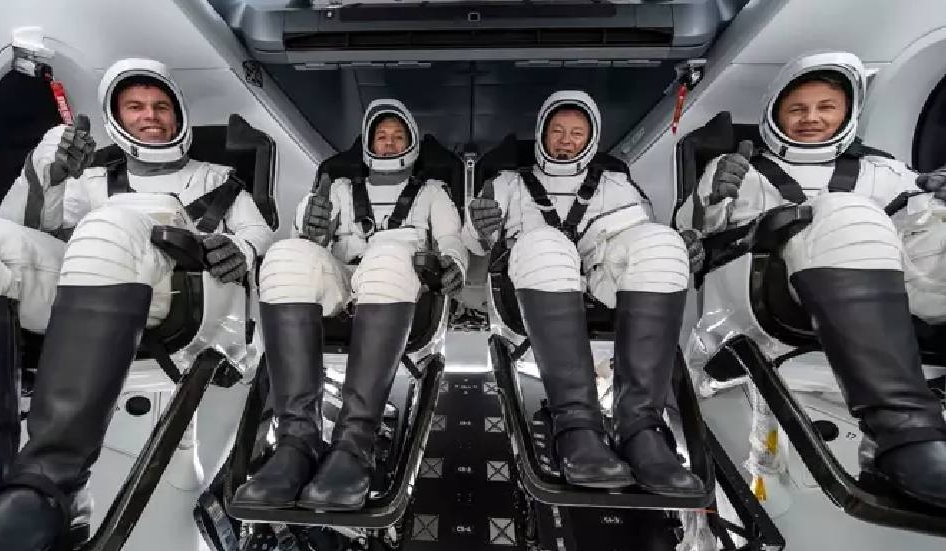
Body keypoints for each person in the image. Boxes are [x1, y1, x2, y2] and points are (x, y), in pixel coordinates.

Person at [0, 57, 272, 549]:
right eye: (135, 106)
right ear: (116, 117)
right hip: (88, 288)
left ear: (178, 114)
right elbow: (22, 235)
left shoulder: (219, 180)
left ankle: (52, 488)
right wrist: (45, 174)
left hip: (187, 297)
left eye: (160, 106)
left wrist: (240, 248)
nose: (149, 115)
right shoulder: (87, 182)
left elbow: (257, 238)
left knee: (112, 222)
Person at [676, 51, 946, 507]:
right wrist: (710, 201)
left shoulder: (885, 171)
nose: (811, 118)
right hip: (764, 298)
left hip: (892, 294)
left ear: (848, 112)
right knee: (845, 212)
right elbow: (691, 234)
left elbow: (917, 226)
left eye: (826, 107)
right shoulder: (740, 170)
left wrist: (932, 199)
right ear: (775, 111)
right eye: (797, 109)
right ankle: (899, 433)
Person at [463, 90, 705, 497]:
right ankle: (576, 428)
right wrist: (480, 226)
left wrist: (682, 247)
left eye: (576, 132)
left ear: (591, 138)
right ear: (542, 134)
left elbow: (642, 237)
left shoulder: (616, 185)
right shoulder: (507, 184)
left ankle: (640, 428)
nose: (566, 141)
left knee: (662, 243)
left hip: (602, 280)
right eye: (557, 131)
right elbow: (474, 242)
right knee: (546, 244)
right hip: (533, 283)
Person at [232, 99, 466, 511]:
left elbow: (450, 241)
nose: (389, 143)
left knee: (390, 253)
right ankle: (296, 443)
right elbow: (309, 238)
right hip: (342, 282)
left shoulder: (433, 193)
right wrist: (310, 222)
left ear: (411, 144)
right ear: (368, 143)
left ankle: (354, 447)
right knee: (286, 255)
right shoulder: (339, 188)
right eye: (381, 136)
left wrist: (453, 264)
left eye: (398, 136)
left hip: (398, 283)